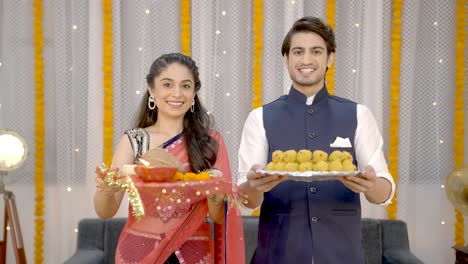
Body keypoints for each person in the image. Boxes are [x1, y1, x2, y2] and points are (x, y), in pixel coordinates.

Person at [237, 17, 395, 264]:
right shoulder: (259, 118)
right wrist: (254, 186)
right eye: (298, 52)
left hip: (342, 257)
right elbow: (246, 201)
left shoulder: (358, 114)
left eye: (317, 51)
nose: (307, 60)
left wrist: (369, 183)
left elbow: (382, 193)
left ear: (330, 58)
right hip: (278, 256)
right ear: (286, 58)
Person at [94, 53, 244, 264]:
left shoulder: (210, 142)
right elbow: (106, 211)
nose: (177, 93)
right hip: (140, 253)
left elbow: (219, 217)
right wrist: (105, 189)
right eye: (167, 84)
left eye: (185, 86)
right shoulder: (135, 141)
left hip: (195, 254)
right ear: (151, 90)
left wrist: (216, 192)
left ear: (194, 93)